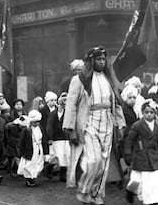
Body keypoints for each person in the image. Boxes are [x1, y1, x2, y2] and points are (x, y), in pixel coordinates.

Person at [63, 46, 126, 205]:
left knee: (104, 163)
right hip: (88, 122)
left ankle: (97, 195)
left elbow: (116, 103)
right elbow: (70, 104)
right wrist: (70, 129)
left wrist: (121, 124)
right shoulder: (79, 80)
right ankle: (84, 190)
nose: (102, 62)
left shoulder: (109, 79)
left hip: (107, 121)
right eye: (98, 59)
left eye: (104, 59)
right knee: (94, 160)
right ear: (91, 61)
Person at [124, 99, 158, 205]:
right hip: (141, 155)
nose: (149, 115)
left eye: (151, 112)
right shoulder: (137, 125)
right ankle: (130, 191)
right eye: (146, 112)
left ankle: (153, 200)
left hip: (153, 156)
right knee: (138, 179)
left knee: (154, 179)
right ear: (142, 112)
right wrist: (127, 153)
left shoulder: (157, 125)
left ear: (155, 114)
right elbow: (129, 140)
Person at [18, 110, 49, 187]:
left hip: (39, 148)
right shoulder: (27, 130)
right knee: (29, 164)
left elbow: (44, 139)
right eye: (35, 122)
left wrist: (46, 152)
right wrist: (21, 152)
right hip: (30, 149)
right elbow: (21, 142)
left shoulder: (40, 128)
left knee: (38, 162)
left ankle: (33, 176)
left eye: (38, 122)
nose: (37, 124)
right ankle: (29, 178)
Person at [47, 92, 70, 182]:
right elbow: (49, 126)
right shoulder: (53, 114)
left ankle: (63, 175)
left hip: (66, 137)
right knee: (57, 156)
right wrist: (50, 138)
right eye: (62, 101)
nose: (63, 104)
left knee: (66, 155)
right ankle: (48, 168)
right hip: (56, 138)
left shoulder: (68, 113)